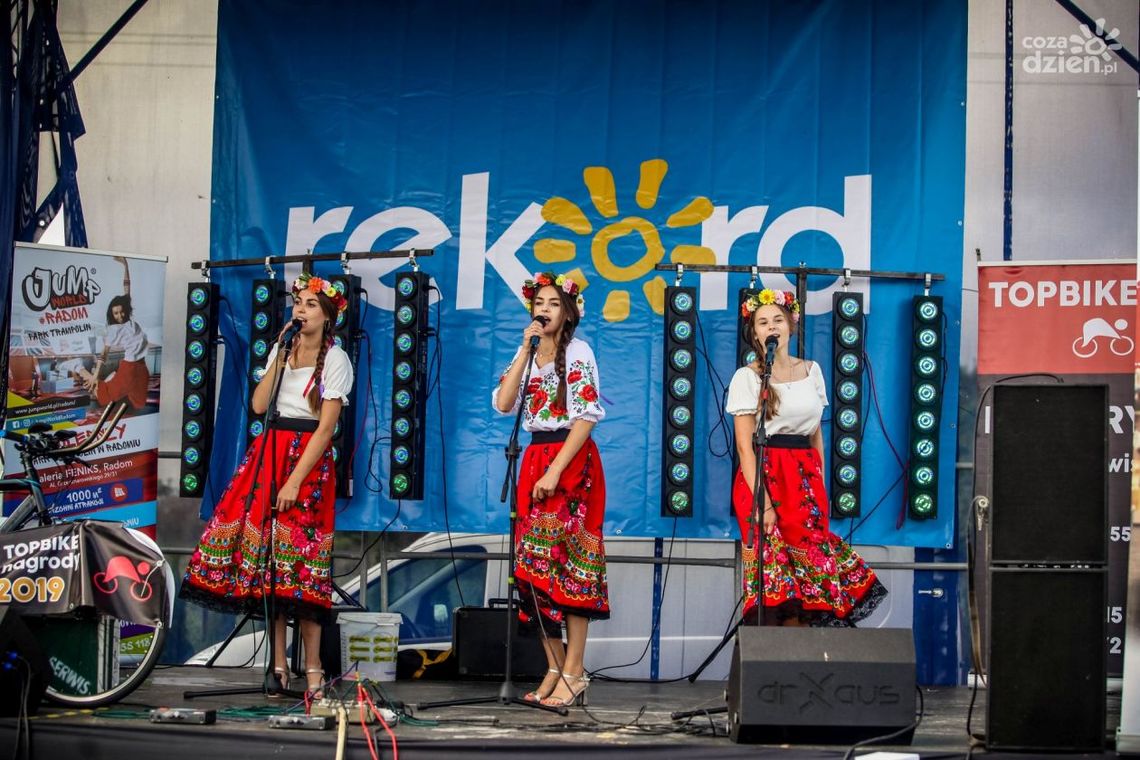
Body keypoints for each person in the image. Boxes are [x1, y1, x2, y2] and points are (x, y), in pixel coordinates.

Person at [180, 272, 354, 699]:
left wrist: (295, 480)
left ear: (328, 314)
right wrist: (280, 354)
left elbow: (326, 428)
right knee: (270, 566)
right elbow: (259, 405)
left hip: (306, 461)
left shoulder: (336, 359)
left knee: (305, 567)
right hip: (269, 451)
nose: (300, 309)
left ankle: (312, 668)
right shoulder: (285, 346)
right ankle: (277, 665)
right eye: (298, 302)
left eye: (311, 304)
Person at [725, 289, 886, 627]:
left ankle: (796, 665)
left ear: (791, 325)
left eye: (778, 320)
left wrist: (819, 483)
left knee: (809, 573)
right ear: (754, 332)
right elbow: (744, 445)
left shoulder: (811, 370)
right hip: (764, 477)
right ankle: (768, 666)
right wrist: (762, 501)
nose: (771, 327)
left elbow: (815, 434)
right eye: (763, 322)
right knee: (774, 577)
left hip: (804, 478)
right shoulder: (748, 376)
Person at [492, 271, 608, 708]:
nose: (544, 309)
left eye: (554, 303)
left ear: (569, 311)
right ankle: (554, 667)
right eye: (539, 302)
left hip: (570, 462)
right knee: (533, 575)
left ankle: (575, 671)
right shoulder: (529, 351)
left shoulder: (578, 352)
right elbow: (504, 404)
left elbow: (585, 417)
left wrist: (556, 472)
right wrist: (525, 350)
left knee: (571, 569)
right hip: (535, 458)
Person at [75, 257, 150, 409]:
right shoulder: (113, 330)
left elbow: (127, 286)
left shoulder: (129, 320)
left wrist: (126, 265)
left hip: (141, 365)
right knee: (105, 395)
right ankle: (79, 368)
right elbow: (104, 355)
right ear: (112, 314)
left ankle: (111, 379)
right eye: (116, 313)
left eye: (121, 312)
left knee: (140, 402)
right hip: (129, 367)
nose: (120, 315)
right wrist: (94, 376)